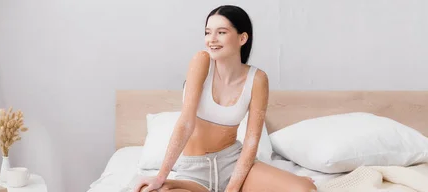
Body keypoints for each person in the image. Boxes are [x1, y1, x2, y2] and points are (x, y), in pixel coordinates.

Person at [134, 5, 318, 192]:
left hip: (234, 165)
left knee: (305, 190)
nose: (211, 40)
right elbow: (186, 123)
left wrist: (232, 189)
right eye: (207, 33)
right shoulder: (202, 61)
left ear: (242, 38)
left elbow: (251, 142)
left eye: (221, 32)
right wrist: (160, 177)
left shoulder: (258, 79)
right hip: (194, 173)